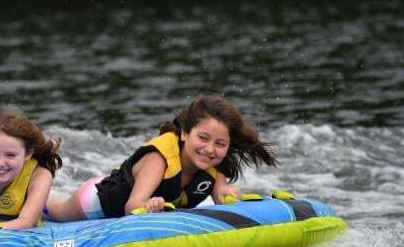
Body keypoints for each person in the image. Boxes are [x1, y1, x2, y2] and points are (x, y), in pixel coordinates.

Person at [45, 93, 277, 221]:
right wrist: (149, 204)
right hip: (96, 202)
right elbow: (132, 206)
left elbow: (224, 202)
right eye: (203, 138)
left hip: (124, 192)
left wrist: (230, 195)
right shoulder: (160, 159)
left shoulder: (214, 169)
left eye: (220, 144)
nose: (209, 149)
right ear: (185, 133)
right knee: (55, 211)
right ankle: (34, 194)